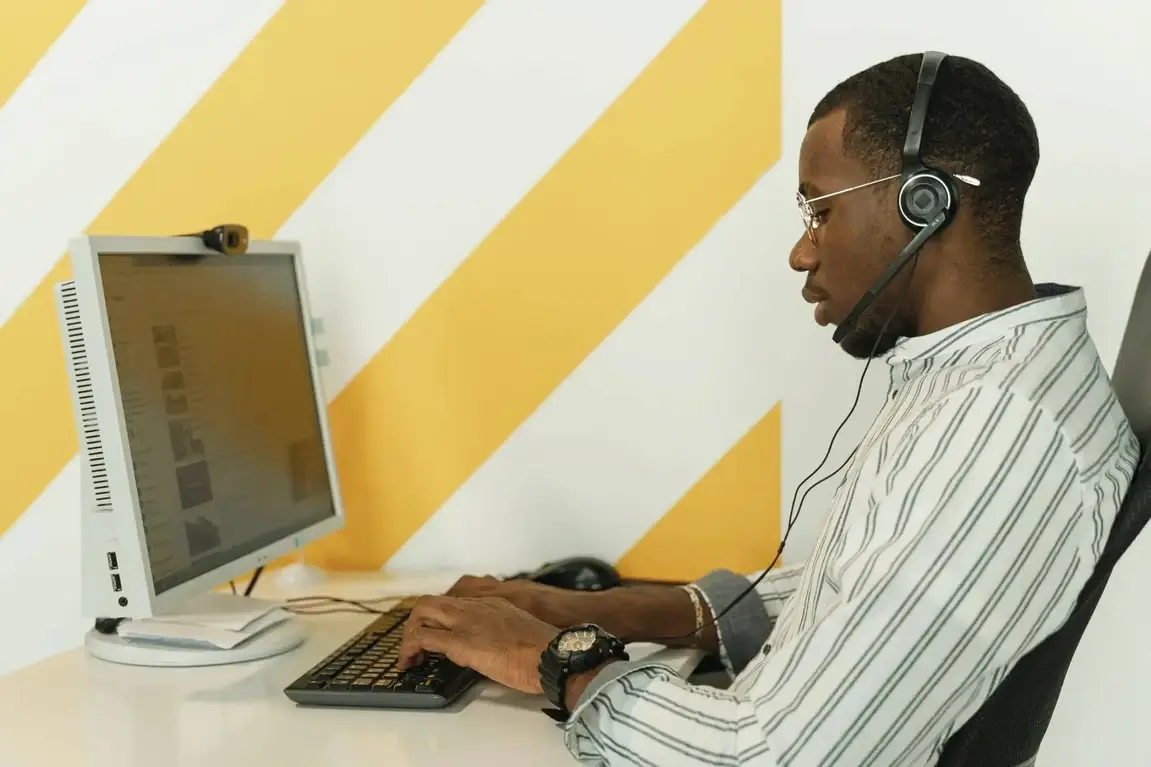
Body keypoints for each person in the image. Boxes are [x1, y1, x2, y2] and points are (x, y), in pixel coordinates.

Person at [396, 52, 1141, 765]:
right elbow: (875, 601)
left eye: (819, 210)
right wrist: (618, 611)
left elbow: (776, 755)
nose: (800, 251)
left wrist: (544, 657)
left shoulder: (991, 427)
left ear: (923, 203)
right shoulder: (999, 381)